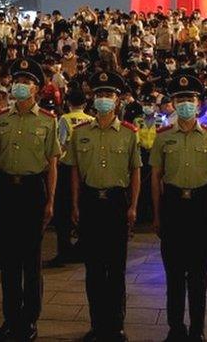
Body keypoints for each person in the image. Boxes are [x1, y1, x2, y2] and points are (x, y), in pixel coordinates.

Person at [0, 58, 60, 342]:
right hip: (6, 190)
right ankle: (10, 318)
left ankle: (29, 319)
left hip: (32, 190)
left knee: (30, 261)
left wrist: (50, 200)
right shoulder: (1, 120)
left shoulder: (47, 121)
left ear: (37, 88)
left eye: (26, 81)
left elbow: (52, 164)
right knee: (7, 260)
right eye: (18, 80)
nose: (20, 85)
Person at [67, 70, 142, 342]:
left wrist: (133, 206)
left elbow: (135, 172)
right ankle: (97, 324)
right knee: (94, 268)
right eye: (99, 94)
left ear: (118, 100)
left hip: (116, 203)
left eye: (109, 95)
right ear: (92, 98)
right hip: (90, 203)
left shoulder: (129, 133)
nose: (104, 99)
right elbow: (74, 171)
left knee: (116, 267)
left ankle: (116, 324)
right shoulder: (80, 133)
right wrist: (74, 204)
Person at [150, 73, 207, 342]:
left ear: (198, 103)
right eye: (180, 99)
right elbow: (155, 177)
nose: (185, 104)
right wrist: (157, 215)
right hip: (172, 206)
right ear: (172, 102)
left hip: (199, 207)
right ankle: (175, 328)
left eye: (189, 99)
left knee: (198, 274)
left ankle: (197, 329)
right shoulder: (163, 137)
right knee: (173, 272)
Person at [50, 88, 93, 267]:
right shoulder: (91, 120)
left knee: (63, 212)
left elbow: (61, 144)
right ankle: (84, 248)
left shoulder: (64, 119)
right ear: (84, 104)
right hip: (87, 169)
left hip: (67, 169)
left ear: (68, 103)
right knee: (84, 210)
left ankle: (64, 251)